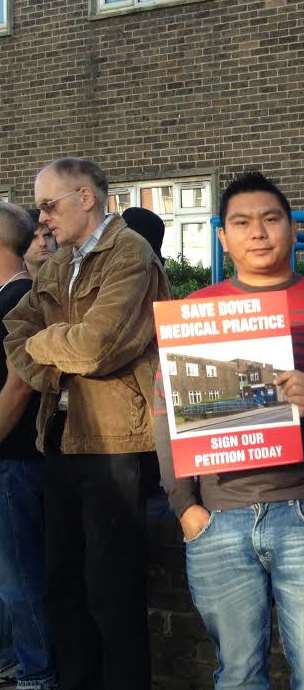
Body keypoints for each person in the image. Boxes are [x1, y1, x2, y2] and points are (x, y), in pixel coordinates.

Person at [155, 171, 304, 689]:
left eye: (270, 219)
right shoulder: (196, 313)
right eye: (242, 222)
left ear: (291, 227)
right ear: (223, 237)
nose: (258, 233)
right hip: (218, 515)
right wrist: (185, 506)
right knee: (238, 674)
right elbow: (166, 417)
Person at [3, 158, 169, 690]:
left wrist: (45, 345)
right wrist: (51, 349)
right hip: (59, 437)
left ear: (85, 198)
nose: (42, 219)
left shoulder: (130, 254)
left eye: (48, 206)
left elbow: (98, 346)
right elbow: (14, 332)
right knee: (63, 588)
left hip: (115, 440)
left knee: (112, 591)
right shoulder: (58, 264)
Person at [0, 203, 56, 690]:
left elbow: (19, 386)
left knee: (20, 580)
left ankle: (37, 675)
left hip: (15, 464)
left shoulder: (18, 301)